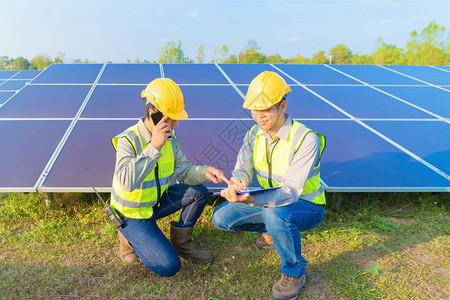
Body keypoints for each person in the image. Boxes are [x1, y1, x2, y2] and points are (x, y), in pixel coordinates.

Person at [211, 71, 326, 299]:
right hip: (269, 202)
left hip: (305, 205)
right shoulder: (254, 133)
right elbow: (243, 166)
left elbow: (291, 191)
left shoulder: (306, 138)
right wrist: (239, 182)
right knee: (221, 218)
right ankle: (274, 232)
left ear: (282, 106)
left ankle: (294, 272)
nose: (258, 116)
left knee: (277, 216)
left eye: (265, 109)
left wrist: (251, 199)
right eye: (254, 109)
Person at [110, 77, 228, 277]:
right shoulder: (127, 140)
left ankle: (181, 244)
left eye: (176, 118)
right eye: (171, 118)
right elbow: (126, 182)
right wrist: (154, 146)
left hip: (156, 202)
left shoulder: (171, 138)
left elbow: (182, 170)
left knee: (198, 192)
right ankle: (127, 236)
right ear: (152, 113)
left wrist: (204, 172)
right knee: (169, 266)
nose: (175, 123)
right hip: (133, 214)